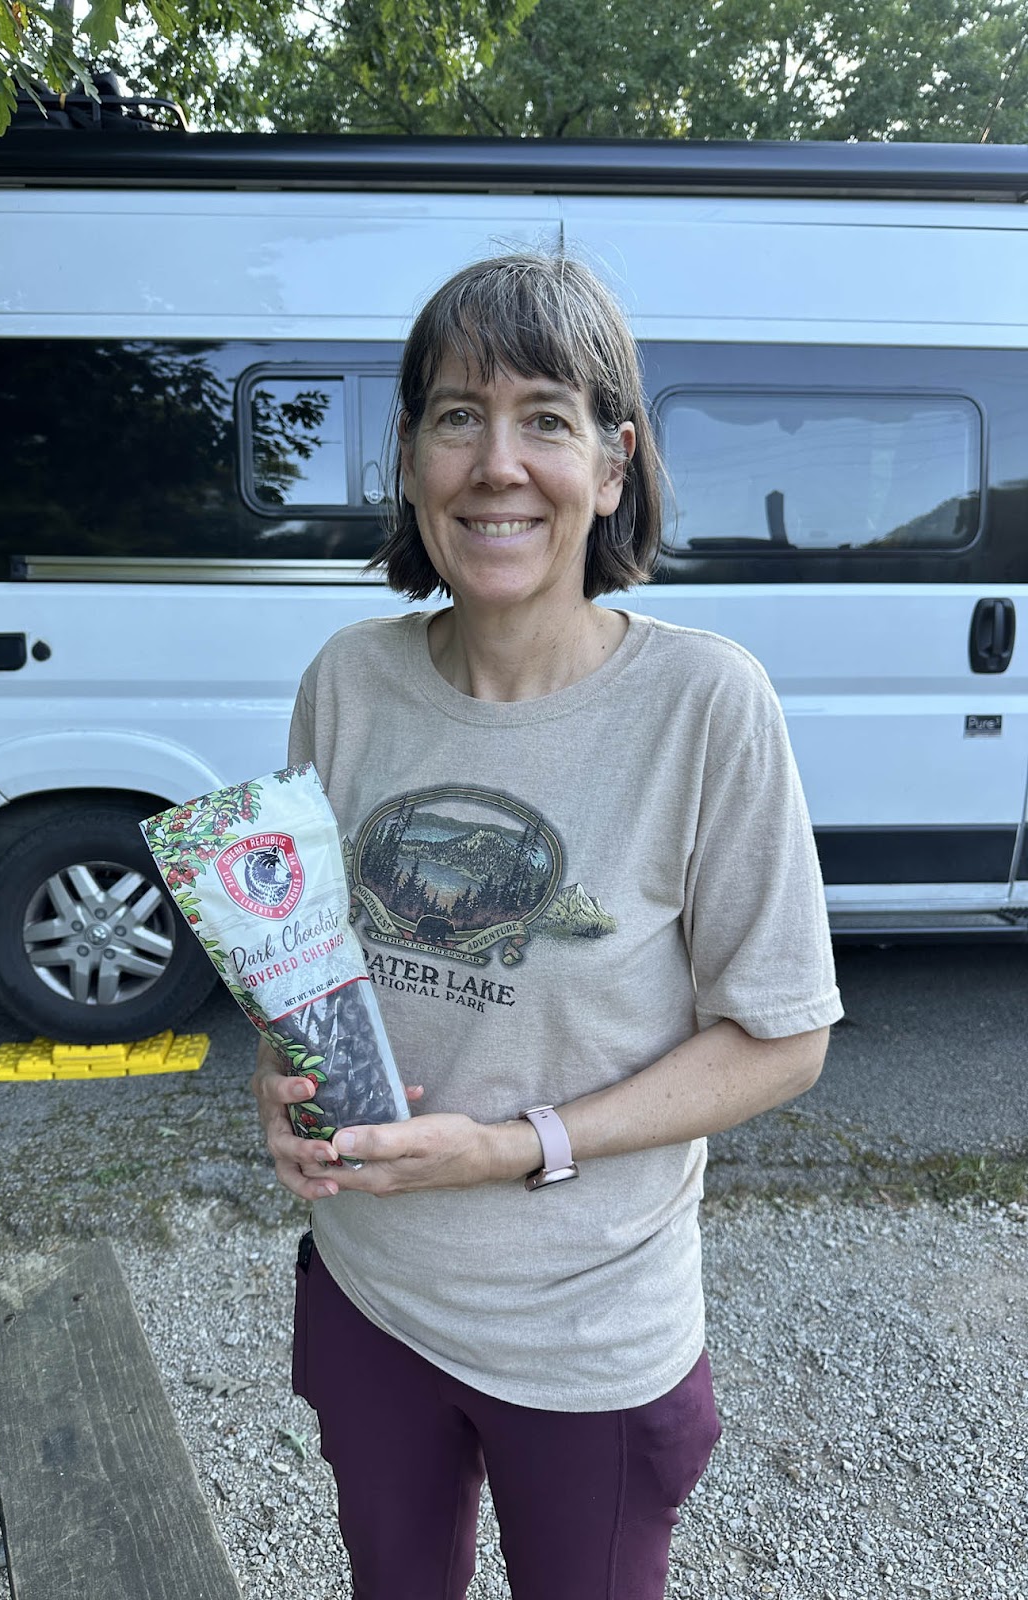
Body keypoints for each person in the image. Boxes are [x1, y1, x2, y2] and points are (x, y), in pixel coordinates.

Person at [252, 252, 842, 1600]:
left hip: (590, 1341)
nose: (497, 465)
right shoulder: (347, 683)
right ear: (410, 457)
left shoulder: (707, 705)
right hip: (372, 1294)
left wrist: (515, 1147)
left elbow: (783, 1039)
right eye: (458, 416)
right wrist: (278, 1081)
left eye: (546, 419)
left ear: (614, 465)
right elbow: (307, 961)